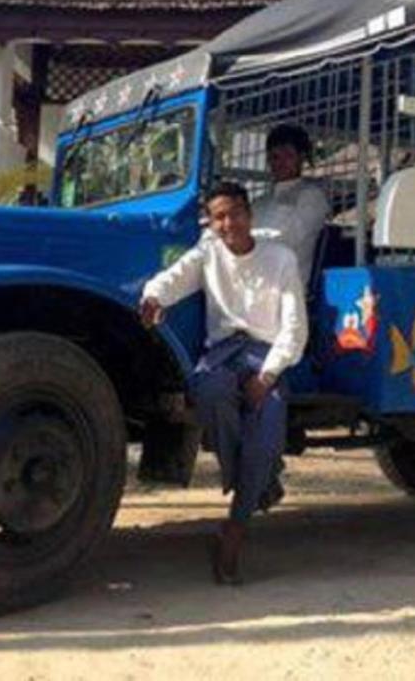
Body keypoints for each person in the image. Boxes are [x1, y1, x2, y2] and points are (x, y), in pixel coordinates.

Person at [138, 181, 307, 584]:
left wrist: (268, 376)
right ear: (211, 223)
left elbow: (294, 327)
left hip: (265, 354)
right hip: (223, 352)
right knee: (208, 389)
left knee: (265, 429)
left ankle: (235, 527)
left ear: (248, 214)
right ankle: (261, 480)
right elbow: (172, 278)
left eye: (234, 213)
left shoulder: (280, 258)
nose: (228, 223)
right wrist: (153, 298)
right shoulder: (208, 252)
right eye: (219, 217)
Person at [253, 124, 329, 283]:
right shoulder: (259, 203)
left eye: (288, 155)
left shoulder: (312, 198)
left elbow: (286, 239)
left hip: (288, 286)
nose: (281, 162)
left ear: (302, 157)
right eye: (275, 156)